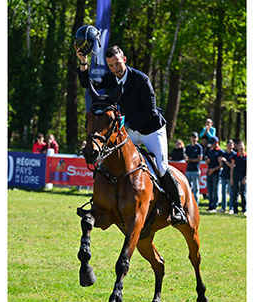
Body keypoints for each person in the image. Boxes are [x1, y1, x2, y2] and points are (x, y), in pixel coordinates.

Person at [75, 44, 187, 225]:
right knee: (110, 161)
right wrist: (83, 63)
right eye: (111, 66)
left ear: (124, 60)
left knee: (161, 167)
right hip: (130, 130)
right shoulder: (111, 78)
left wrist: (126, 125)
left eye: (118, 64)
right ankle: (100, 204)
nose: (115, 69)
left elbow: (150, 110)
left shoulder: (141, 79)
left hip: (152, 130)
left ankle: (178, 207)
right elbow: (87, 84)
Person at [204, 136, 223, 212]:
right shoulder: (210, 151)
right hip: (209, 172)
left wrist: (213, 169)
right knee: (210, 189)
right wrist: (207, 162)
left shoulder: (221, 151)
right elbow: (209, 162)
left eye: (213, 143)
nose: (211, 145)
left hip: (216, 173)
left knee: (215, 190)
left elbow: (221, 165)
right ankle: (210, 205)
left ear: (217, 143)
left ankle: (214, 206)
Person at [218, 139, 237, 213]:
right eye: (229, 145)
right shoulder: (224, 153)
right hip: (224, 175)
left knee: (231, 193)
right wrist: (220, 161)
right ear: (226, 146)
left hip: (231, 176)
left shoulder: (234, 155)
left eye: (231, 145)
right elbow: (222, 165)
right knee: (223, 192)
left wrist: (225, 160)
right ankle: (223, 208)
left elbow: (233, 166)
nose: (230, 146)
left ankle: (231, 208)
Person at [184, 132, 203, 205]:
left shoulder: (199, 147)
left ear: (197, 138)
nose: (193, 139)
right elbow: (185, 156)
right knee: (188, 188)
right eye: (192, 137)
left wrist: (190, 160)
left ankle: (196, 204)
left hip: (195, 170)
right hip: (188, 170)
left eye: (195, 137)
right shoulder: (188, 147)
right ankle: (188, 203)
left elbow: (199, 159)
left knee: (196, 188)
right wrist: (186, 159)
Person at [230, 140, 247, 215]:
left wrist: (246, 177)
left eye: (241, 145)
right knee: (235, 193)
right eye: (239, 146)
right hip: (236, 175)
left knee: (243, 193)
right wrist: (231, 178)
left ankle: (244, 210)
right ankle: (235, 210)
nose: (240, 147)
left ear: (244, 147)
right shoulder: (234, 156)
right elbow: (232, 168)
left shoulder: (247, 156)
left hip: (243, 176)